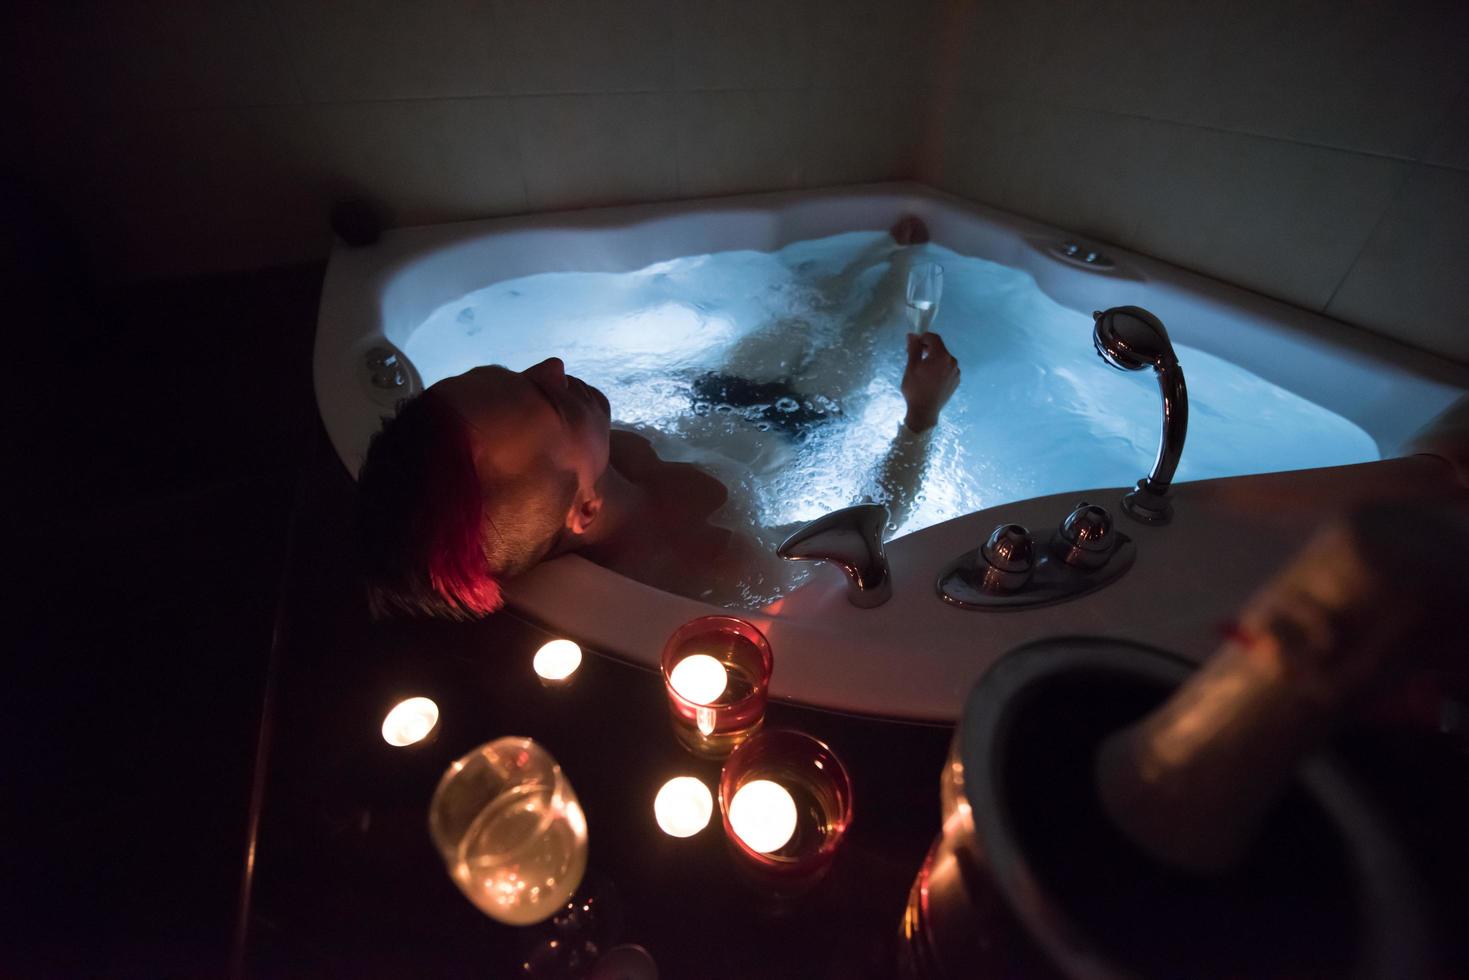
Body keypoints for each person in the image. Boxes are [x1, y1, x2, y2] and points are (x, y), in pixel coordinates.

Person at [355, 220, 960, 619]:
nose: (555, 366)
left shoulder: (588, 460)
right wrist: (920, 415)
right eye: (554, 402)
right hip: (795, 428)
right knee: (867, 327)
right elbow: (872, 523)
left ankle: (888, 248)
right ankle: (903, 269)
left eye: (518, 374)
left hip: (715, 392)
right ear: (583, 510)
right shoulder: (714, 567)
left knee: (818, 303)